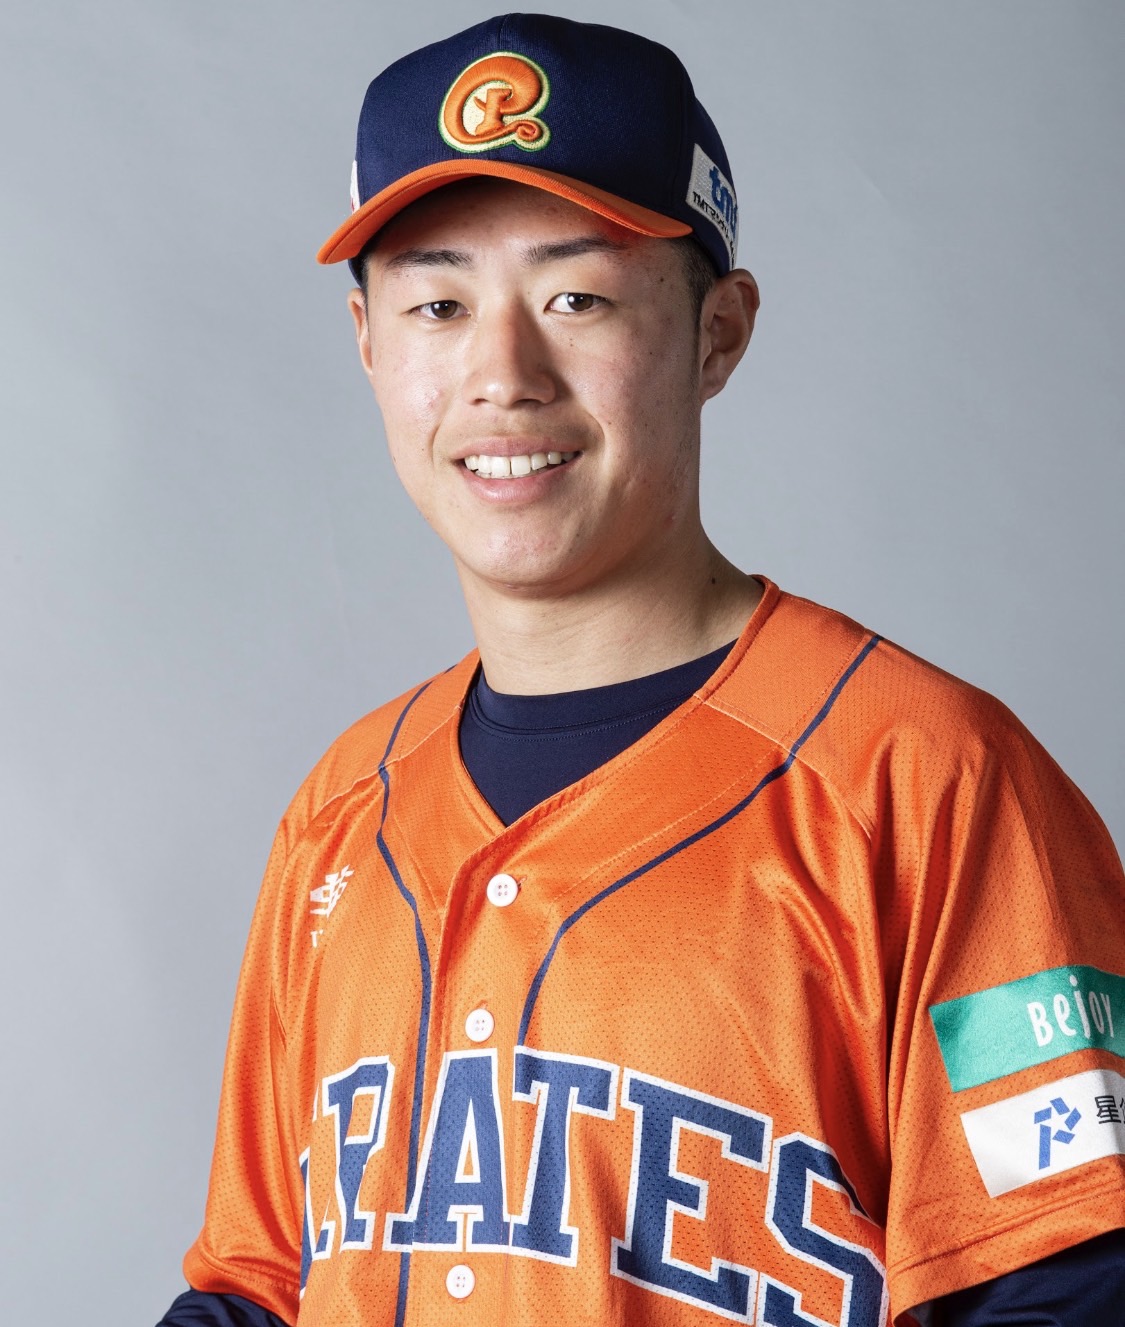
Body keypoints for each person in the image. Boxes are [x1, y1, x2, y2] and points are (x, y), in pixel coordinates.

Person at [159, 14, 1125, 1327]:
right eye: (438, 306)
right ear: (369, 343)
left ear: (717, 333)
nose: (502, 376)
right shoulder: (340, 808)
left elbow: (1067, 1286)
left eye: (578, 299)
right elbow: (257, 1289)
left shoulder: (934, 785)